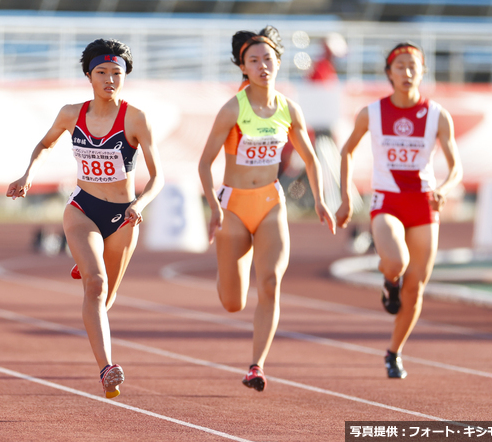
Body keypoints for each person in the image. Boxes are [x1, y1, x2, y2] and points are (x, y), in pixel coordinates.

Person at [7, 39, 163, 399]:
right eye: (102, 73)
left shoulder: (135, 118)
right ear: (88, 76)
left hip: (123, 217)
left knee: (105, 300)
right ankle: (108, 369)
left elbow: (159, 176)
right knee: (94, 284)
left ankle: (86, 266)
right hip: (83, 210)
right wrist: (29, 173)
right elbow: (45, 144)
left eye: (117, 73)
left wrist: (141, 203)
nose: (110, 79)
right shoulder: (71, 114)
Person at [198, 26, 335, 392]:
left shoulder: (289, 109)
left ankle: (256, 366)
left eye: (268, 59)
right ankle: (229, 270)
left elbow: (310, 157)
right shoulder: (232, 109)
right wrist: (213, 206)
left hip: (271, 204)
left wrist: (321, 200)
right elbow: (204, 163)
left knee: (271, 283)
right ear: (243, 67)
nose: (262, 66)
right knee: (232, 302)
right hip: (234, 207)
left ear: (278, 62)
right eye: (254, 60)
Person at [336, 42, 462, 379]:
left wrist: (444, 189)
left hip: (423, 202)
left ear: (423, 71)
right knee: (396, 262)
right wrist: (347, 199)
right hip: (387, 200)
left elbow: (455, 167)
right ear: (389, 73)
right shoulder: (372, 113)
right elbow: (346, 152)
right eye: (400, 66)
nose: (407, 72)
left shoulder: (437, 115)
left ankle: (394, 352)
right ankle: (388, 280)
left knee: (416, 287)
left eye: (413, 66)